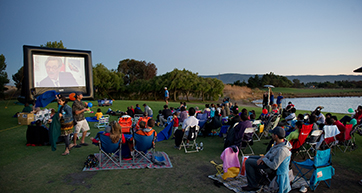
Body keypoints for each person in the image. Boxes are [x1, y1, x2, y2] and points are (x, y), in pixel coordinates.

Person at [242, 127, 292, 191]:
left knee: (248, 162)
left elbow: (274, 166)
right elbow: (269, 152)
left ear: (276, 136)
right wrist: (263, 158)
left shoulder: (282, 150)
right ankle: (260, 179)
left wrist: (264, 160)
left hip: (272, 167)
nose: (271, 135)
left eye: (272, 134)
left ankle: (252, 185)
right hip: (268, 160)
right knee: (250, 158)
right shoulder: (278, 143)